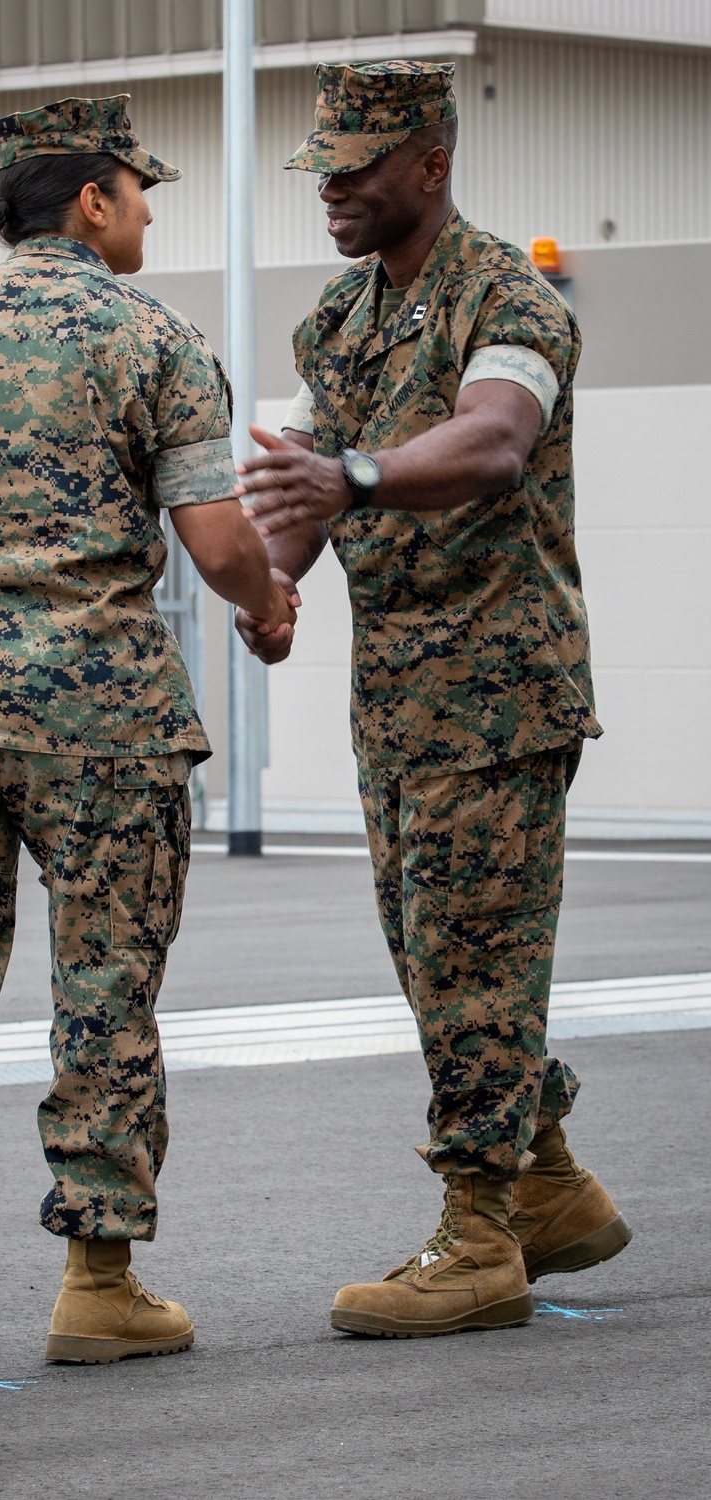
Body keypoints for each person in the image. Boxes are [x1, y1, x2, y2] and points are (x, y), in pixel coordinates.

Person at [0, 94, 295, 1369]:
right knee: (105, 990)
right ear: (93, 199)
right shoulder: (155, 339)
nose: (146, 210)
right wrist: (266, 608)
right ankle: (97, 1286)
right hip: (99, 716)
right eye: (140, 189)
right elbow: (214, 536)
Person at [234, 61, 631, 1339]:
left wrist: (348, 478)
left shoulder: (507, 297)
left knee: (471, 962)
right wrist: (274, 584)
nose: (332, 192)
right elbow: (302, 488)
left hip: (500, 688)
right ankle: (552, 1184)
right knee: (438, 959)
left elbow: (494, 439)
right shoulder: (336, 322)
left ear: (431, 164)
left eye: (355, 168)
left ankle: (477, 1237)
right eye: (322, 171)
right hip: (395, 698)